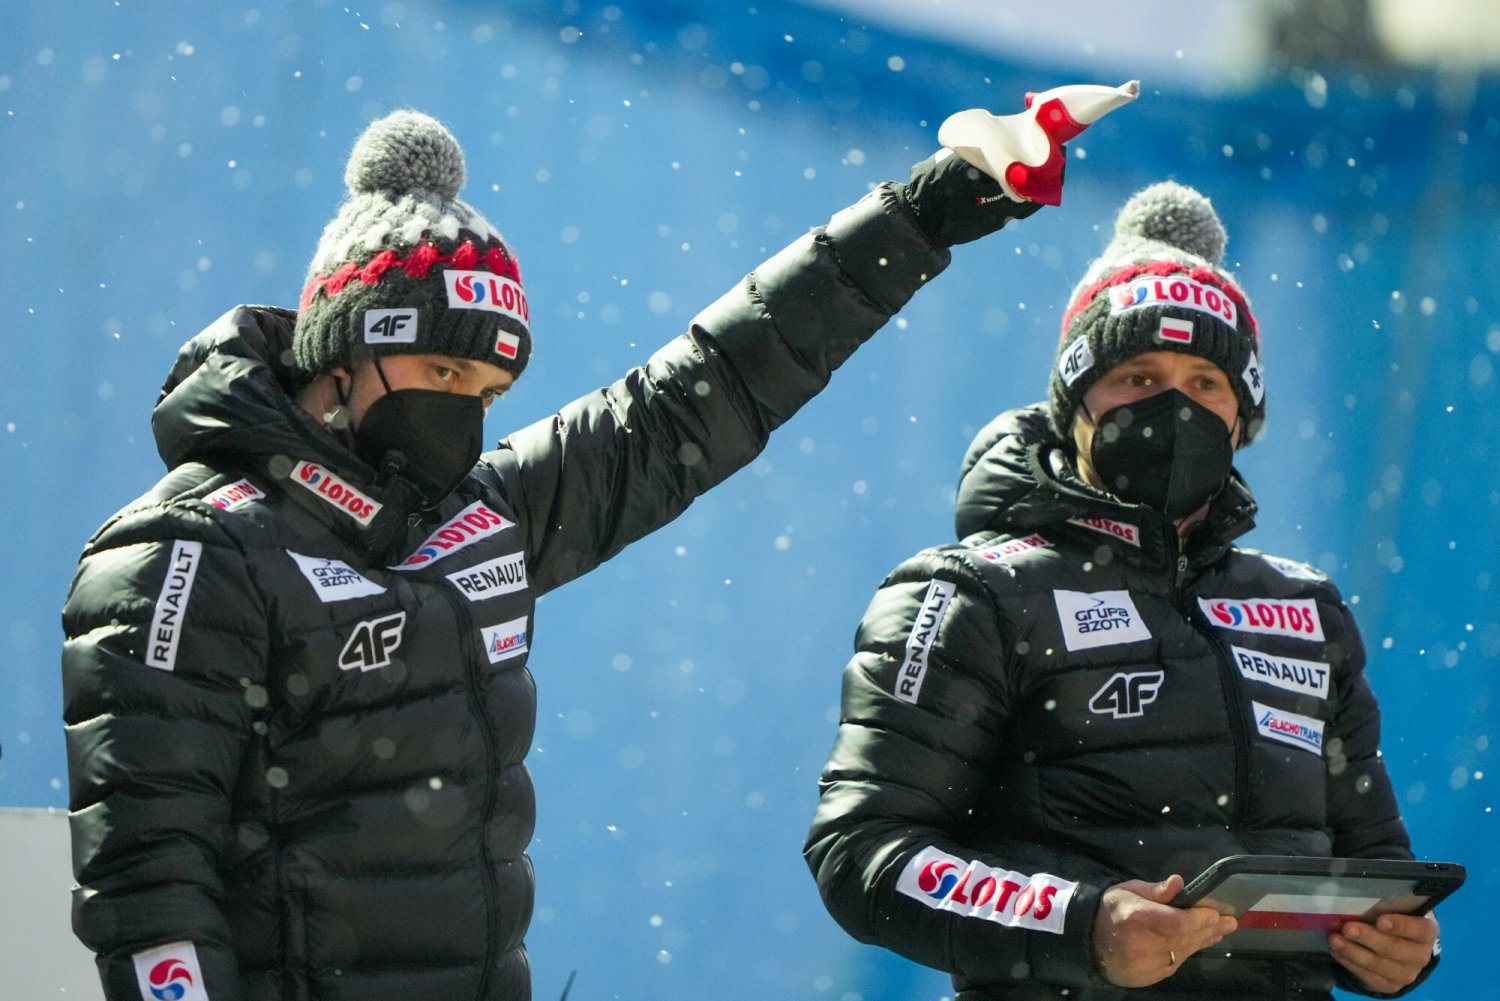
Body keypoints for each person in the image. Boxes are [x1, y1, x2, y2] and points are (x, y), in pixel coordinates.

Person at [60, 102, 1072, 1001]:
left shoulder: (481, 516)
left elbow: (704, 390)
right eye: (440, 366)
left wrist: (922, 217)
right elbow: (151, 881)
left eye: (487, 391)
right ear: (340, 347)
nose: (460, 410)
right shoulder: (189, 547)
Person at [804, 181, 1442, 1000]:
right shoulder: (968, 592)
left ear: (1243, 418)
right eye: (1138, 376)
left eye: (1206, 382)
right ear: (1075, 403)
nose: (1175, 406)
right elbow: (863, 851)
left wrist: (1398, 947)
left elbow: (1374, 865)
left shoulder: (1308, 609)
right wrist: (1084, 925)